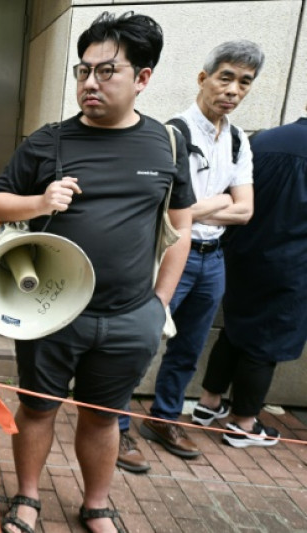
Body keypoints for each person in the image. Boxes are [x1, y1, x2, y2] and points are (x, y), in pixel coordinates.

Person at [0, 12, 194, 533]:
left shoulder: (166, 145)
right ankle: (27, 498)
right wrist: (38, 198)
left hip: (128, 316)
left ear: (142, 78)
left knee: (104, 416)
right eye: (82, 71)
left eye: (107, 72)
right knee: (37, 409)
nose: (90, 83)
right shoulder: (48, 141)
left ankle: (97, 503)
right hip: (49, 311)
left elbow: (180, 228)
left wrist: (159, 304)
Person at [132, 40, 262, 466]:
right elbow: (173, 212)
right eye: (225, 78)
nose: (233, 90)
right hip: (173, 254)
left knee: (188, 346)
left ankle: (164, 417)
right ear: (203, 78)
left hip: (213, 257)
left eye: (244, 83)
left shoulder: (239, 140)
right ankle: (113, 425)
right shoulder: (174, 133)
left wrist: (212, 206)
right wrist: (218, 202)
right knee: (142, 339)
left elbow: (245, 210)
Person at [194, 108, 307, 448]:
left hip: (241, 252)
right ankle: (243, 423)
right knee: (266, 342)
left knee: (235, 330)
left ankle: (208, 403)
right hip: (292, 262)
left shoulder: (264, 139)